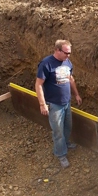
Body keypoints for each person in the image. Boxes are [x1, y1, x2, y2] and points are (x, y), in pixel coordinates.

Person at [35, 40, 82, 168]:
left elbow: (70, 79)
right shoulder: (46, 64)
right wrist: (42, 104)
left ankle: (65, 144)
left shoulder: (67, 62)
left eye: (70, 53)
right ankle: (60, 154)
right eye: (66, 53)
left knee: (67, 126)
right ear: (57, 50)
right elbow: (38, 84)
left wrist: (76, 94)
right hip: (54, 104)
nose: (68, 56)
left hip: (66, 102)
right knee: (58, 131)